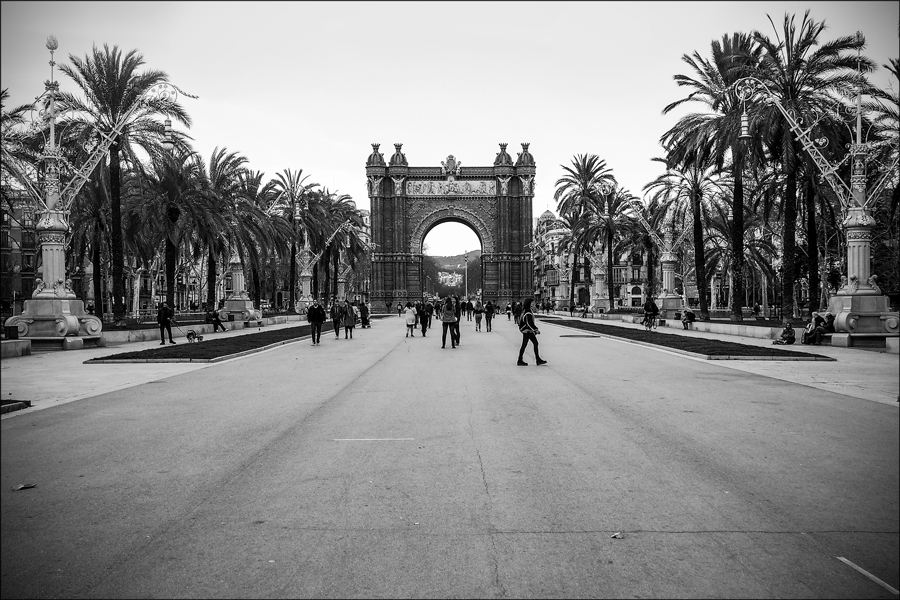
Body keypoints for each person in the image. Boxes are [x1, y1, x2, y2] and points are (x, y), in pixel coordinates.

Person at [517, 298, 546, 366]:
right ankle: (521, 360)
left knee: (531, 344)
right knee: (527, 344)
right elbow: (529, 323)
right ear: (529, 304)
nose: (534, 304)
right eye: (532, 303)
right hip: (527, 330)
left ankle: (536, 359)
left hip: (527, 330)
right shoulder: (527, 312)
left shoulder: (527, 310)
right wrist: (535, 329)